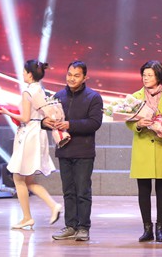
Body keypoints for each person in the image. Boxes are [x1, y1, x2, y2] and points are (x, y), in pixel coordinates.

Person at [42, 60, 103, 241]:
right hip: (64, 150)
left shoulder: (93, 97)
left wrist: (70, 125)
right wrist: (45, 122)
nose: (72, 78)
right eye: (69, 74)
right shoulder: (58, 96)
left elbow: (95, 123)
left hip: (84, 152)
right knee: (68, 191)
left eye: (77, 75)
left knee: (83, 191)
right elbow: (46, 121)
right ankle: (70, 226)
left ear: (85, 77)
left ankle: (83, 227)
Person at [0, 59, 62, 230]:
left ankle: (27, 217)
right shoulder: (39, 90)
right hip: (38, 133)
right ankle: (52, 206)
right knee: (28, 180)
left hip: (29, 134)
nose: (23, 74)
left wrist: (7, 112)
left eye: (25, 72)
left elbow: (25, 118)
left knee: (18, 177)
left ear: (30, 74)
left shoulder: (28, 92)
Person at [127, 60, 162, 243]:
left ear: (159, 76)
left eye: (149, 75)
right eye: (144, 75)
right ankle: (147, 228)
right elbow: (128, 121)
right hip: (142, 148)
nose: (146, 78)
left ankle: (160, 228)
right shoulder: (135, 97)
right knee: (143, 190)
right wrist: (138, 125)